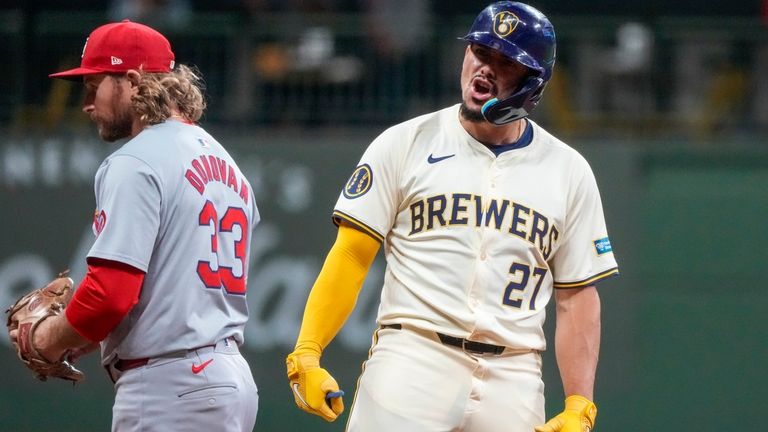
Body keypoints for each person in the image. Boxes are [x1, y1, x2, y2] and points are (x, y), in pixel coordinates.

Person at [285, 2, 618, 432]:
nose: (484, 69)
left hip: (514, 377)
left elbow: (577, 297)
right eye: (480, 53)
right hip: (413, 359)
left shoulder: (568, 170)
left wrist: (579, 404)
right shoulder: (405, 142)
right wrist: (308, 351)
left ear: (532, 83)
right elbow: (351, 254)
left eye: (505, 62)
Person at [10, 20, 260, 431]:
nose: (87, 104)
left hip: (171, 386)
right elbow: (168, 293)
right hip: (225, 380)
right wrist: (89, 333)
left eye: (94, 86)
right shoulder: (227, 166)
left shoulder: (136, 161)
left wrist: (46, 339)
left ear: (132, 81)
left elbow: (109, 296)